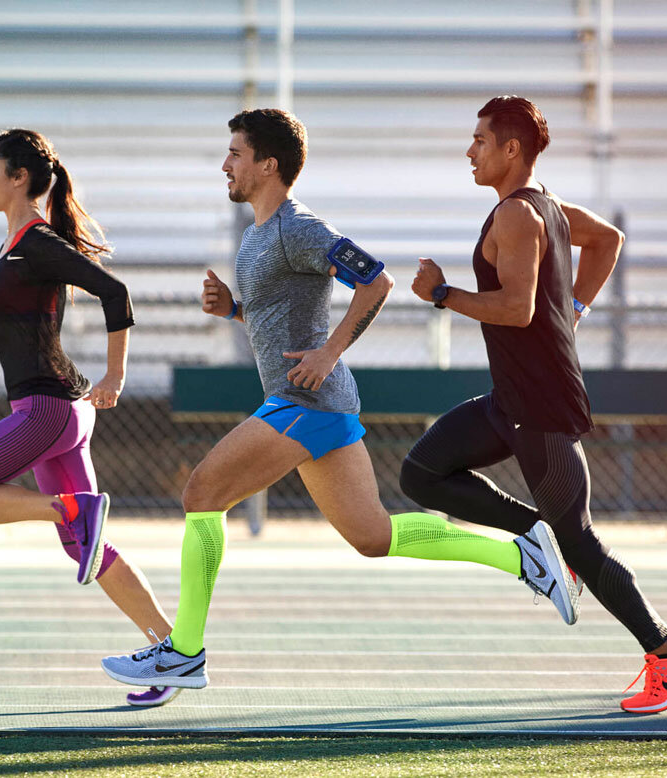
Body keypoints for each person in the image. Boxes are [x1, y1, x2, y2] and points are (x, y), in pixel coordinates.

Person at [100, 108, 583, 693]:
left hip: (304, 401)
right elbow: (282, 317)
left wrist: (329, 352)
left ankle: (184, 651)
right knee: (374, 536)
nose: (225, 165)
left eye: (235, 154)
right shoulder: (258, 234)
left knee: (201, 493)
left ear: (267, 165)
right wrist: (234, 309)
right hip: (318, 404)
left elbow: (376, 280)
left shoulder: (299, 227)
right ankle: (524, 558)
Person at [402, 95, 667, 714]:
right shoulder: (546, 206)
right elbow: (608, 240)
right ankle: (533, 536)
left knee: (581, 544)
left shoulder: (519, 214)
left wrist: (442, 294)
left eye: (480, 140)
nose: (470, 151)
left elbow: (516, 310)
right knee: (421, 473)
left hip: (537, 406)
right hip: (510, 400)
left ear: (511, 149)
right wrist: (574, 310)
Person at [0, 128, 179, 708]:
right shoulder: (14, 245)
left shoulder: (38, 242)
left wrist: (116, 376)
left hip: (49, 412)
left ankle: (66, 508)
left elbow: (115, 293)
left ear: (19, 178)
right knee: (86, 547)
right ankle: (174, 652)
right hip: (59, 414)